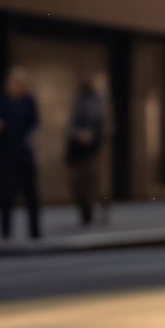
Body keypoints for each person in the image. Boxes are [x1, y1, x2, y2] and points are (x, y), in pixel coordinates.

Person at [0, 67, 41, 240]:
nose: (14, 86)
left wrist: (31, 138)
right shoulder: (0, 102)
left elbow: (34, 124)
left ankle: (35, 231)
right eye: (12, 82)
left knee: (30, 194)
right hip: (6, 154)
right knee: (5, 194)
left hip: (24, 154)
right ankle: (5, 231)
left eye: (18, 83)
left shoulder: (28, 102)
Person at [65, 74, 107, 227]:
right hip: (77, 151)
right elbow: (69, 126)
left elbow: (100, 124)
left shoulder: (97, 102)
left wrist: (91, 135)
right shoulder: (77, 101)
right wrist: (76, 133)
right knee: (78, 184)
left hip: (92, 150)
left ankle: (96, 210)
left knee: (93, 183)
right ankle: (85, 214)